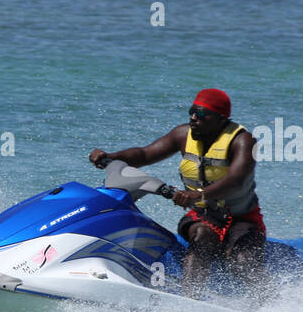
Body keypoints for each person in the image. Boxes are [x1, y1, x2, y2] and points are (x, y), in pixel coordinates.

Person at [88, 88, 267, 298]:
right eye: (192, 112)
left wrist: (197, 195)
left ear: (220, 118)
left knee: (242, 261)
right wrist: (112, 157)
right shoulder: (182, 134)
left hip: (241, 218)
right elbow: (145, 154)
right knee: (202, 238)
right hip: (203, 216)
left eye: (200, 114)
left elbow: (237, 180)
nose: (193, 118)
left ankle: (272, 305)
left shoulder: (243, 140)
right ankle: (190, 301)